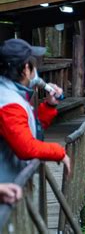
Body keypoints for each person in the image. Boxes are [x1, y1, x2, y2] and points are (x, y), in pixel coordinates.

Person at [0, 38, 71, 183]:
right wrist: (59, 152)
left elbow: (28, 130)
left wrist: (49, 106)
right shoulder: (8, 102)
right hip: (7, 188)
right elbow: (26, 147)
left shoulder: (11, 94)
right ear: (26, 69)